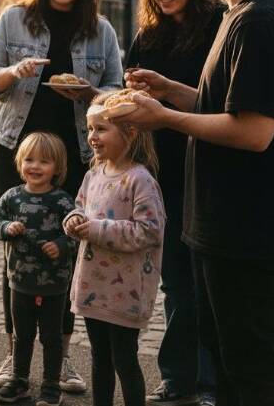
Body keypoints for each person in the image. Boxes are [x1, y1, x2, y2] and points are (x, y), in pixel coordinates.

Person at [122, 0, 274, 406]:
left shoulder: (262, 21)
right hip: (223, 225)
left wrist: (164, 117)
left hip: (246, 227)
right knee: (227, 362)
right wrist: (170, 89)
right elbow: (223, 104)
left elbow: (254, 131)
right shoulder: (240, 14)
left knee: (249, 367)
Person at [0, 0, 123, 393]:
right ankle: (15, 354)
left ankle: (62, 357)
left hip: (77, 156)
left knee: (70, 250)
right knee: (16, 248)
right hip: (15, 150)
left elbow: (116, 90)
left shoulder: (101, 30)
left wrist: (90, 94)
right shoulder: (14, 19)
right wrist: (12, 74)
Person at [125, 0, 222, 406]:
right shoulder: (148, 35)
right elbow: (129, 96)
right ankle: (177, 376)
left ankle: (208, 382)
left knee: (206, 284)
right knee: (177, 283)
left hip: (209, 169)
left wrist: (165, 95)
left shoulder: (221, 27)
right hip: (161, 173)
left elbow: (225, 104)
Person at [63, 91, 166, 406]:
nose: (92, 136)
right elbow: (79, 207)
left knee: (124, 359)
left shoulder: (140, 179)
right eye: (90, 129)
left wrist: (94, 229)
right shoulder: (93, 174)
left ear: (129, 132)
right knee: (99, 357)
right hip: (92, 284)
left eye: (100, 128)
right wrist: (73, 220)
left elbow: (150, 230)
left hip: (126, 293)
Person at [0, 132, 76, 406]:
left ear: (57, 168)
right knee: (23, 335)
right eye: (29, 159)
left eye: (45, 161)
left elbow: (76, 234)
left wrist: (61, 244)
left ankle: (51, 386)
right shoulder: (11, 197)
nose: (35, 166)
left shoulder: (62, 201)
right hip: (19, 281)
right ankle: (20, 380)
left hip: (54, 283)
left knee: (51, 337)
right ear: (19, 162)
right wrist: (6, 228)